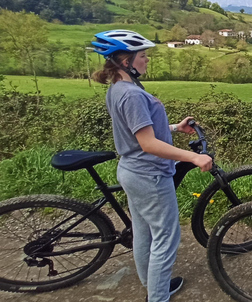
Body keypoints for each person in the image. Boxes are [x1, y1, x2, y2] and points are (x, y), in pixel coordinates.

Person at [91, 30, 212, 302]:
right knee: (166, 239)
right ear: (126, 62)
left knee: (144, 232)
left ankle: (152, 284)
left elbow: (140, 131)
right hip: (150, 176)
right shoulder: (131, 95)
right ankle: (158, 297)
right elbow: (147, 143)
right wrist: (192, 157)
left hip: (133, 171)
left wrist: (174, 128)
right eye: (143, 56)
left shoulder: (118, 89)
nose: (147, 60)